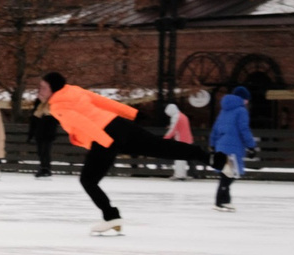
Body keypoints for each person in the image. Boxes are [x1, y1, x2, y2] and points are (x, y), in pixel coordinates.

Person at [38, 70, 210, 234]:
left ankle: (111, 217)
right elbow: (102, 101)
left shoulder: (57, 105)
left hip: (103, 135)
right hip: (118, 124)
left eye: (43, 87)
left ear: (54, 88)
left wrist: (105, 141)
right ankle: (210, 157)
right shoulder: (73, 90)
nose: (40, 91)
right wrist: (132, 113)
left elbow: (82, 123)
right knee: (160, 147)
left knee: (88, 180)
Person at [207, 84, 259, 211]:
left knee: (227, 173)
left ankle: (226, 200)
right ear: (243, 99)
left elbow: (215, 128)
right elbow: (244, 129)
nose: (247, 102)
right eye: (246, 99)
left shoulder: (224, 110)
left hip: (221, 146)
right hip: (232, 148)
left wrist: (213, 144)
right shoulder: (241, 110)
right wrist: (251, 146)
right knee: (230, 174)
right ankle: (219, 201)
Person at [29, 92, 59, 177]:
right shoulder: (38, 107)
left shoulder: (51, 107)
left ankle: (46, 168)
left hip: (48, 133)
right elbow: (34, 120)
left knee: (46, 151)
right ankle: (43, 167)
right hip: (39, 133)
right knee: (40, 151)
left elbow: (55, 120)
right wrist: (31, 134)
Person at [163, 100, 194, 179]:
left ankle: (179, 175)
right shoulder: (183, 116)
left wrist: (165, 138)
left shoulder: (176, 117)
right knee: (182, 159)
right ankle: (183, 174)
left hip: (181, 140)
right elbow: (180, 127)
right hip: (187, 139)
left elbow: (173, 129)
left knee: (179, 159)